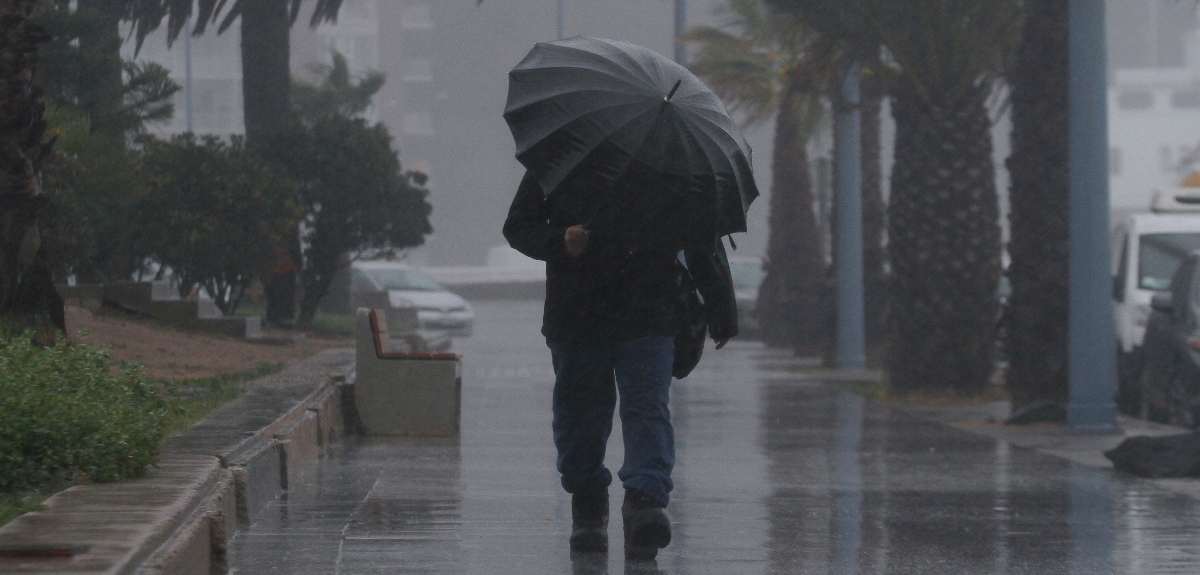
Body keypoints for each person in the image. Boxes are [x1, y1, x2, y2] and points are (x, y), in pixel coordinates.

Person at [503, 167, 737, 560]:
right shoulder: (561, 161)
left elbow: (701, 237)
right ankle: (588, 502)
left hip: (649, 312)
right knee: (581, 413)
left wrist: (720, 307)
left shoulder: (672, 165)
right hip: (578, 315)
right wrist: (560, 240)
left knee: (647, 407)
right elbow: (519, 226)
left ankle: (646, 500)